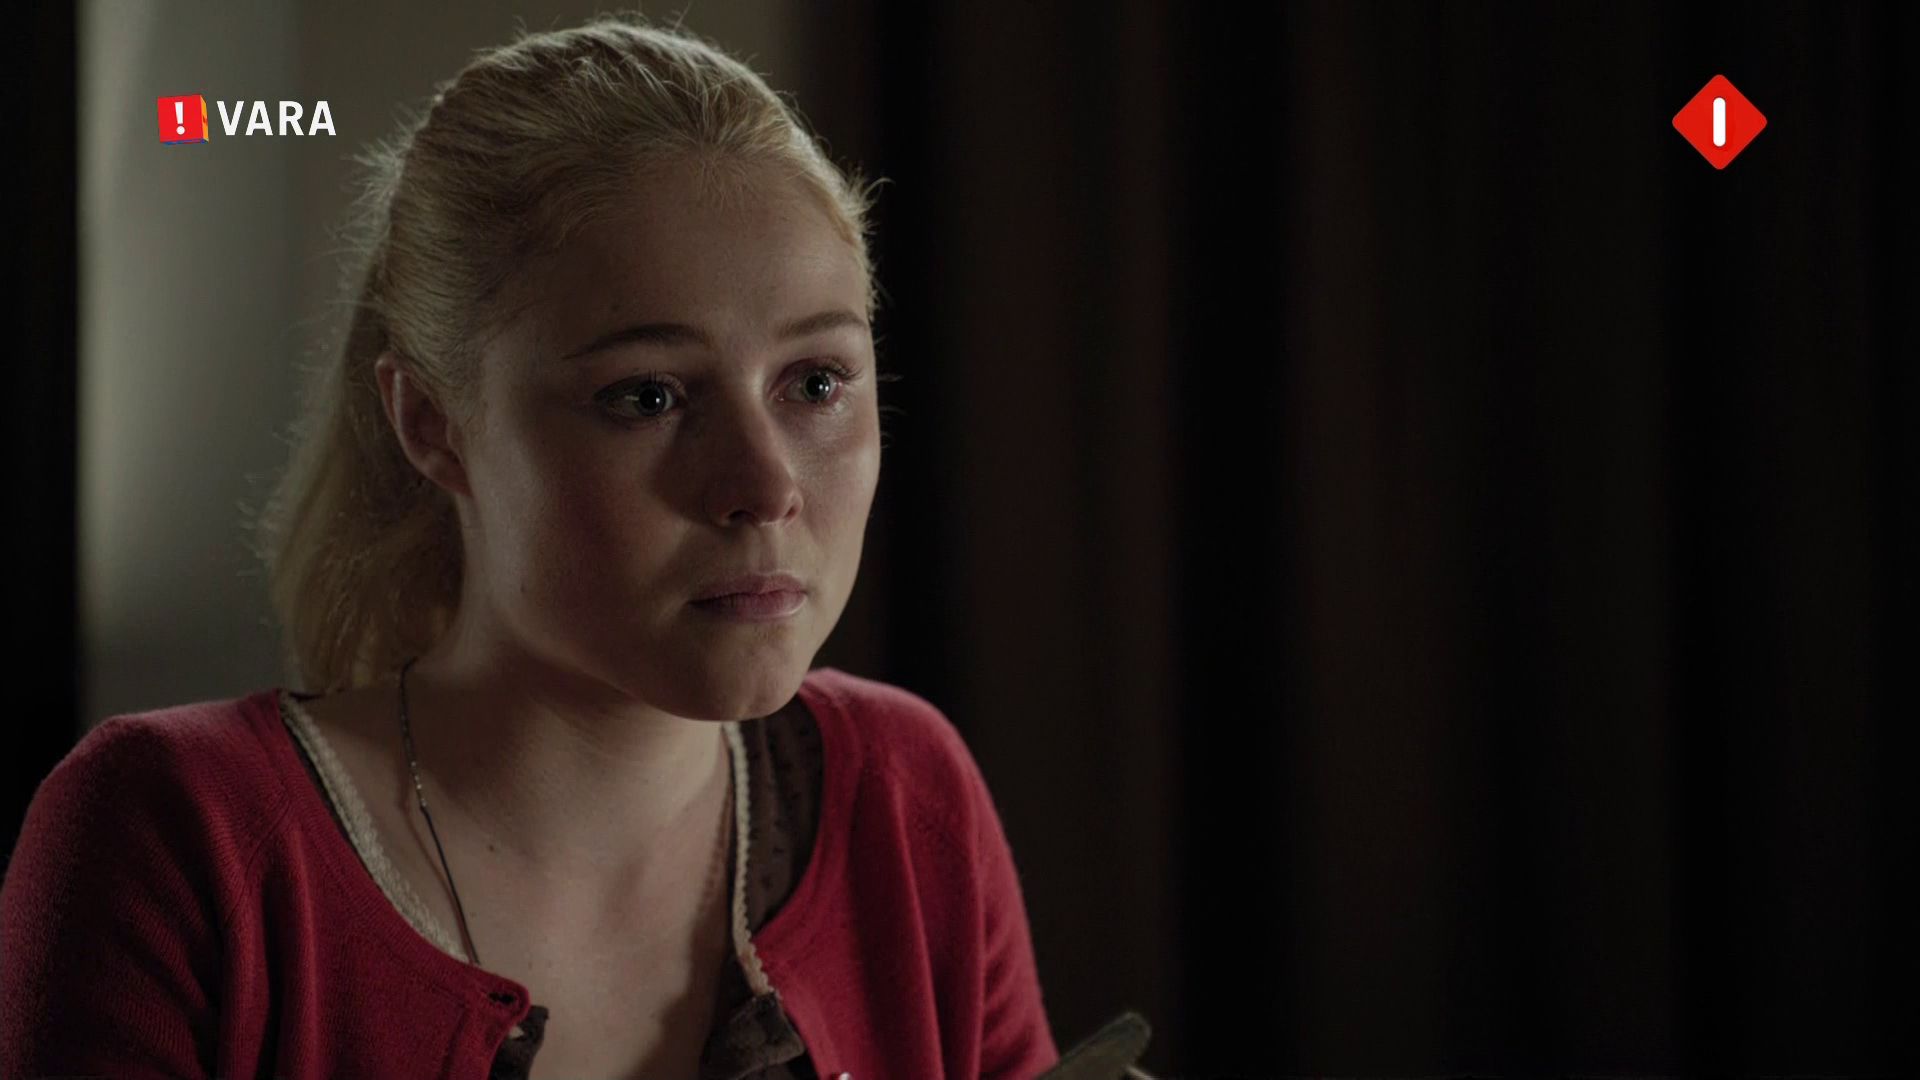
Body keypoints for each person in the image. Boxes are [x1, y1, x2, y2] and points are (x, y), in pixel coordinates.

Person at [0, 15, 1060, 1079]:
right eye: (647, 397)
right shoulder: (182, 839)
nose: (766, 486)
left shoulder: (905, 798)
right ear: (431, 423)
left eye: (817, 383)